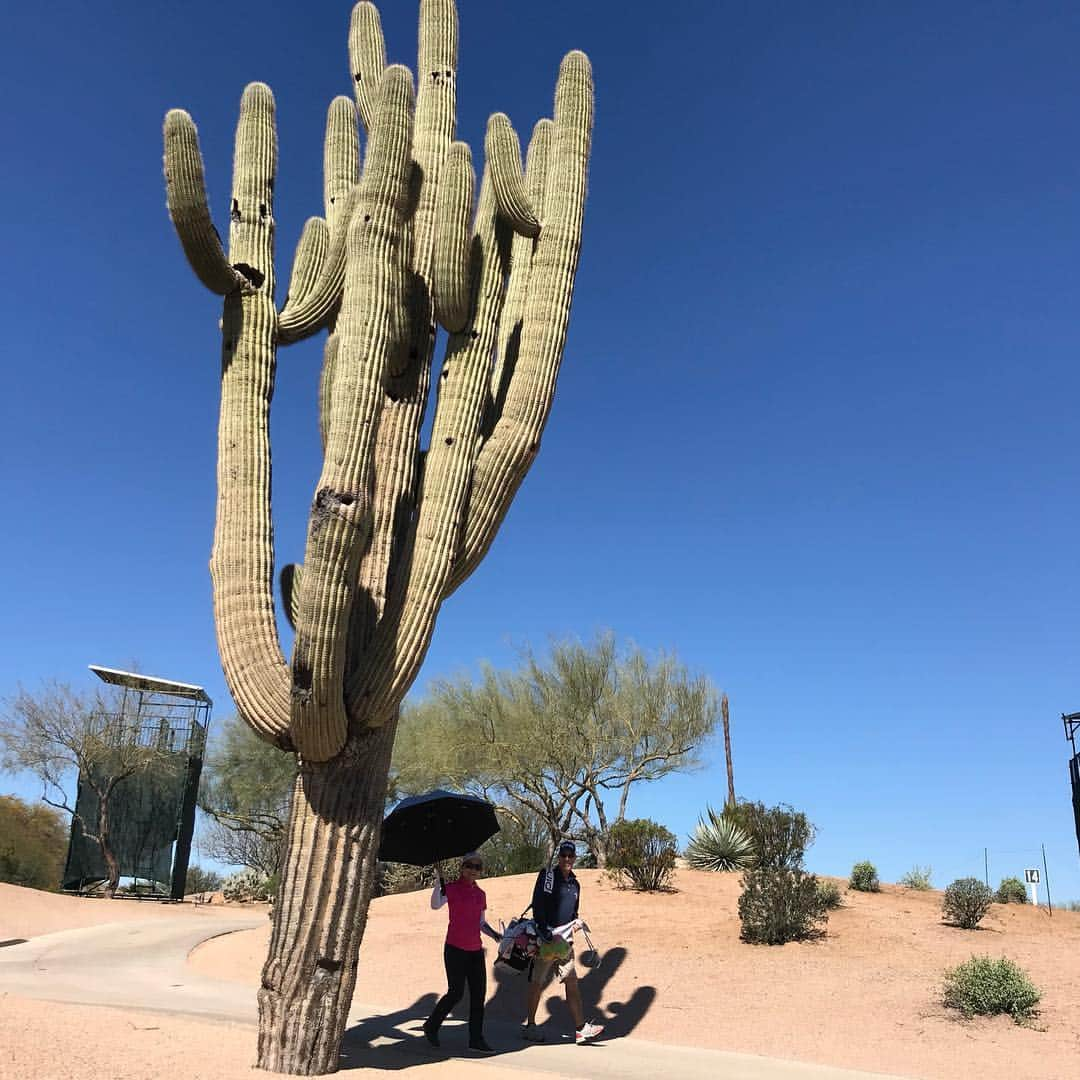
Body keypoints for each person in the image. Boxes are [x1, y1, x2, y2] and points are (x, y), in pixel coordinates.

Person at [522, 840, 605, 1045]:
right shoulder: (549, 877)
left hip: (564, 942)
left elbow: (574, 910)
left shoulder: (575, 884)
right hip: (547, 939)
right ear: (559, 857)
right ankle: (530, 1026)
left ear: (575, 858)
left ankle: (580, 1029)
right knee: (537, 983)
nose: (567, 859)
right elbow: (538, 903)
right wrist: (543, 931)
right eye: (564, 855)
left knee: (571, 981)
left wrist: (576, 924)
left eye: (570, 856)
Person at [423, 852, 502, 1054]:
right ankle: (431, 1025)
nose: (473, 870)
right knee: (456, 992)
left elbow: (481, 922)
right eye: (469, 865)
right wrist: (437, 882)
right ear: (462, 868)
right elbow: (435, 905)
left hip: (475, 950)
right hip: (455, 948)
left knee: (478, 995)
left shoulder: (481, 894)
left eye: (477, 867)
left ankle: (476, 1039)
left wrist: (495, 935)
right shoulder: (451, 888)